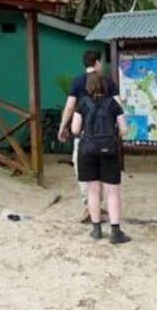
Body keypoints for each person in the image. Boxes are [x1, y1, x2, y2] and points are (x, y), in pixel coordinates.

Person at [58, 49, 121, 222]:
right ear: (97, 63)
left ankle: (90, 205)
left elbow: (70, 106)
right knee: (106, 173)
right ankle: (102, 208)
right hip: (107, 136)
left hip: (85, 136)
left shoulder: (77, 82)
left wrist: (63, 127)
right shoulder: (108, 81)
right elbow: (118, 105)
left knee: (83, 170)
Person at [72, 73, 130, 244]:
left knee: (93, 190)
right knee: (113, 191)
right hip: (109, 150)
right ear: (105, 86)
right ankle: (115, 231)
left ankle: (96, 229)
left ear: (88, 87)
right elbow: (124, 129)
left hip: (87, 150)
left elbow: (75, 129)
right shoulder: (113, 104)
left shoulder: (82, 103)